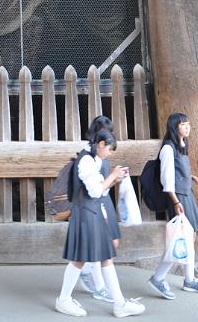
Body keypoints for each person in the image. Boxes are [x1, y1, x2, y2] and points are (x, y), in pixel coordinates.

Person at [56, 129, 145, 318]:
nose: (110, 154)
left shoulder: (93, 159)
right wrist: (112, 176)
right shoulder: (87, 160)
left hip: (92, 212)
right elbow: (95, 191)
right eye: (109, 149)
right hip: (86, 214)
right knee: (79, 261)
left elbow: (100, 191)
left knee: (105, 258)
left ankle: (119, 303)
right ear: (101, 144)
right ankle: (63, 300)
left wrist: (114, 180)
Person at [148, 112, 198, 299]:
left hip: (186, 195)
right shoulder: (168, 149)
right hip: (178, 198)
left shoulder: (181, 145)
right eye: (183, 124)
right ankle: (158, 278)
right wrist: (175, 202)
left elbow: (179, 172)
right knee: (180, 240)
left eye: (188, 124)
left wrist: (194, 178)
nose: (187, 127)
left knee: (188, 238)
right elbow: (166, 179)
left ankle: (189, 280)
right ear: (174, 127)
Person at [79, 116, 120, 304]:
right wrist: (111, 178)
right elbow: (93, 187)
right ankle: (100, 286)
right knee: (101, 247)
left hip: (105, 200)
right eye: (105, 130)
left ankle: (86, 270)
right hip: (94, 202)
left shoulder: (104, 152)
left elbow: (105, 182)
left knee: (113, 242)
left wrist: (115, 179)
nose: (109, 134)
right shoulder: (87, 154)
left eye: (110, 130)